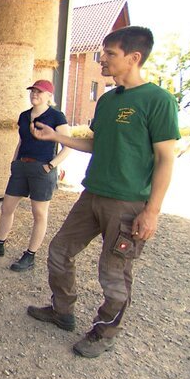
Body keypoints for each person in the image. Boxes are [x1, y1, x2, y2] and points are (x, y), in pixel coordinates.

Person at [26, 26, 179, 358]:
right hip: (92, 194)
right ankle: (62, 311)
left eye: (110, 54)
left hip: (127, 203)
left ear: (134, 57)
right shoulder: (108, 100)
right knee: (59, 250)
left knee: (113, 273)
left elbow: (166, 158)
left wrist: (151, 210)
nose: (104, 59)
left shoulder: (158, 100)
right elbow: (95, 143)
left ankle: (105, 332)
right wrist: (56, 138)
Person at [0, 80, 71, 271]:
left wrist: (51, 165)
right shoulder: (24, 116)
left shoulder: (56, 116)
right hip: (22, 166)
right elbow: (21, 141)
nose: (35, 94)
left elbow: (68, 145)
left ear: (49, 96)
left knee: (39, 213)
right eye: (33, 91)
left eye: (40, 92)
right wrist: (14, 161)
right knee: (7, 207)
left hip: (42, 169)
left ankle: (30, 255)